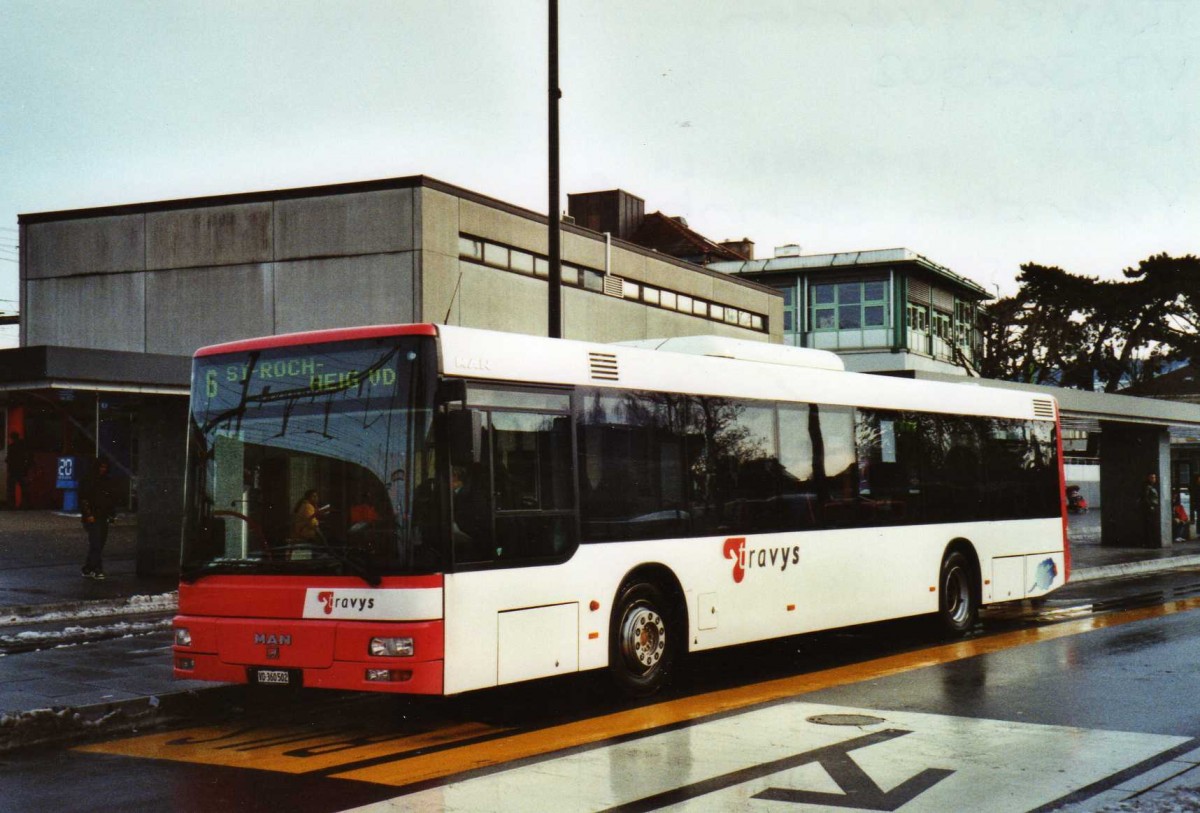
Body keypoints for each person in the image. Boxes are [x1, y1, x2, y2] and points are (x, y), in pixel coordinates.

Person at [80, 458, 118, 580]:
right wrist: (88, 515)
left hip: (101, 516)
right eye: (101, 467)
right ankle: (97, 569)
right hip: (94, 516)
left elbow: (111, 499)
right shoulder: (89, 480)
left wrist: (112, 514)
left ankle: (88, 567)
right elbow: (83, 499)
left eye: (104, 467)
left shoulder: (103, 481)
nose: (103, 469)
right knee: (96, 543)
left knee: (98, 543)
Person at [5, 432, 31, 510]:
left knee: (11, 489)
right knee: (24, 489)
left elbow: (8, 459)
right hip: (23, 471)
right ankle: (24, 505)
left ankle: (12, 505)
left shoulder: (11, 447)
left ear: (12, 438)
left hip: (13, 471)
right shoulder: (24, 447)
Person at [1141, 473, 1161, 547]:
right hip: (1150, 508)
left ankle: (1153, 542)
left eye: (1154, 477)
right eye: (1152, 477)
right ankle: (1150, 543)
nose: (1154, 479)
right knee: (1150, 526)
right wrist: (1150, 506)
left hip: (1154, 507)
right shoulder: (1147, 487)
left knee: (1153, 526)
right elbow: (1145, 497)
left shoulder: (1154, 487)